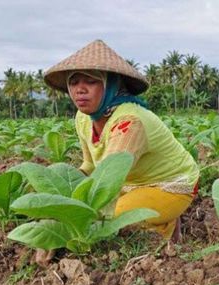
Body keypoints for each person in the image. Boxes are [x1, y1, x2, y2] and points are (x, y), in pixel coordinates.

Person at [38, 40, 199, 264]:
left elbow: (108, 183)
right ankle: (155, 212)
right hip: (128, 184)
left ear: (110, 85)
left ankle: (167, 225)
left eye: (91, 81)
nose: (79, 89)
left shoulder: (129, 123)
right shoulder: (83, 118)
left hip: (170, 184)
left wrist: (59, 230)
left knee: (116, 219)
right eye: (73, 82)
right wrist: (56, 204)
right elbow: (90, 167)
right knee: (101, 213)